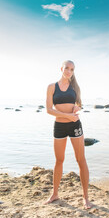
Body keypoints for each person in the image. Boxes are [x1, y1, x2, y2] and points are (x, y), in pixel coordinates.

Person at [44, 60, 92, 209]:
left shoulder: (75, 87)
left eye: (72, 69)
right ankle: (55, 194)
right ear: (61, 68)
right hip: (59, 126)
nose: (69, 71)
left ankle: (85, 198)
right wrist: (67, 116)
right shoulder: (51, 87)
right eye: (67, 68)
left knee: (81, 159)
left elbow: (79, 105)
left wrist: (77, 109)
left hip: (75, 125)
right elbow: (49, 109)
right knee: (59, 160)